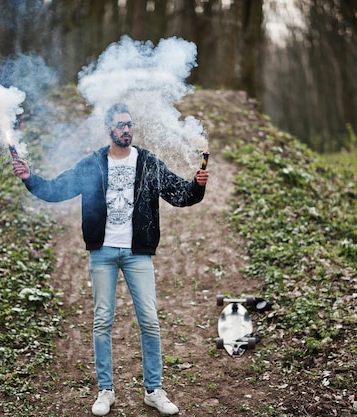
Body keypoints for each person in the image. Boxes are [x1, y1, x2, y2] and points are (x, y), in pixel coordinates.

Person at [12, 103, 209, 416]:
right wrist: (30, 178)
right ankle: (106, 391)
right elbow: (56, 189)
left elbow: (179, 194)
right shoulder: (92, 164)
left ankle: (154, 390)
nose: (126, 129)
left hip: (138, 252)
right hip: (102, 253)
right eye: (120, 125)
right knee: (102, 322)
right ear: (108, 129)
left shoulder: (148, 163)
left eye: (129, 124)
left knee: (150, 321)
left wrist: (197, 187)